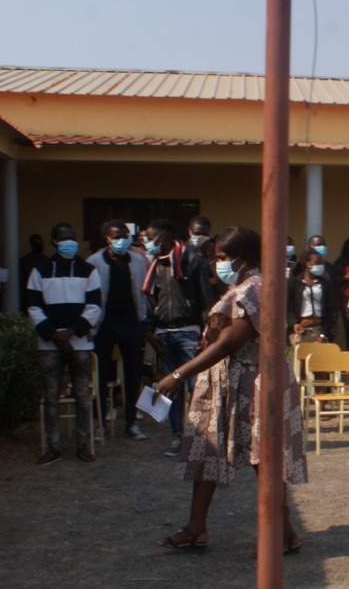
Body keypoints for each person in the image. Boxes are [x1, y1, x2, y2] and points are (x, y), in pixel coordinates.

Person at [154, 226, 307, 550]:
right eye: (215, 256)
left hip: (254, 381)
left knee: (263, 458)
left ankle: (284, 533)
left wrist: (178, 375)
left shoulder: (254, 288)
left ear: (243, 258)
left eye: (222, 257)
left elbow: (229, 343)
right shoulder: (241, 286)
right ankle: (196, 528)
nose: (215, 263)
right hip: (227, 380)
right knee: (207, 449)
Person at [27, 223, 102, 465]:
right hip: (49, 344)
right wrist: (55, 335)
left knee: (82, 396)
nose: (68, 241)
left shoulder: (88, 270)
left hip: (79, 343)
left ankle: (83, 445)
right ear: (54, 241)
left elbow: (94, 307)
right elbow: (33, 306)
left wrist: (70, 333)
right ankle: (53, 447)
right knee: (50, 397)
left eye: (72, 237)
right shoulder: (39, 270)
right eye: (63, 237)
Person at [141, 219, 210, 457]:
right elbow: (149, 300)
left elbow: (205, 298)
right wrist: (149, 333)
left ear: (163, 239)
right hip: (163, 334)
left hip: (188, 332)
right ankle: (176, 437)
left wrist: (206, 332)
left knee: (196, 387)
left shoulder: (191, 258)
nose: (147, 244)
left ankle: (201, 438)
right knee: (171, 389)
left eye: (150, 239)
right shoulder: (154, 264)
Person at [87, 220, 151, 441]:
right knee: (102, 374)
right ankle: (101, 424)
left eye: (125, 235)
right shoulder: (94, 262)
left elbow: (142, 293)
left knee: (133, 374)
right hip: (104, 324)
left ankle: (131, 423)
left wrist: (142, 319)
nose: (122, 240)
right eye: (117, 236)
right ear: (107, 238)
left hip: (131, 322)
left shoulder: (137, 261)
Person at [287, 249, 340, 346]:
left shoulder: (325, 283)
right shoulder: (294, 283)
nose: (320, 265)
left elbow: (330, 310)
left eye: (321, 263)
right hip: (300, 331)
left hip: (319, 331)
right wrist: (294, 323)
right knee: (300, 359)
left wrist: (324, 334)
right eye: (317, 262)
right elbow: (286, 307)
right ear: (307, 263)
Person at [19, 233, 51, 313]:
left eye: (41, 243)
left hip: (43, 296)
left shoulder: (47, 261)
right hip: (28, 296)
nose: (40, 246)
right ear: (31, 244)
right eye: (37, 243)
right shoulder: (24, 261)